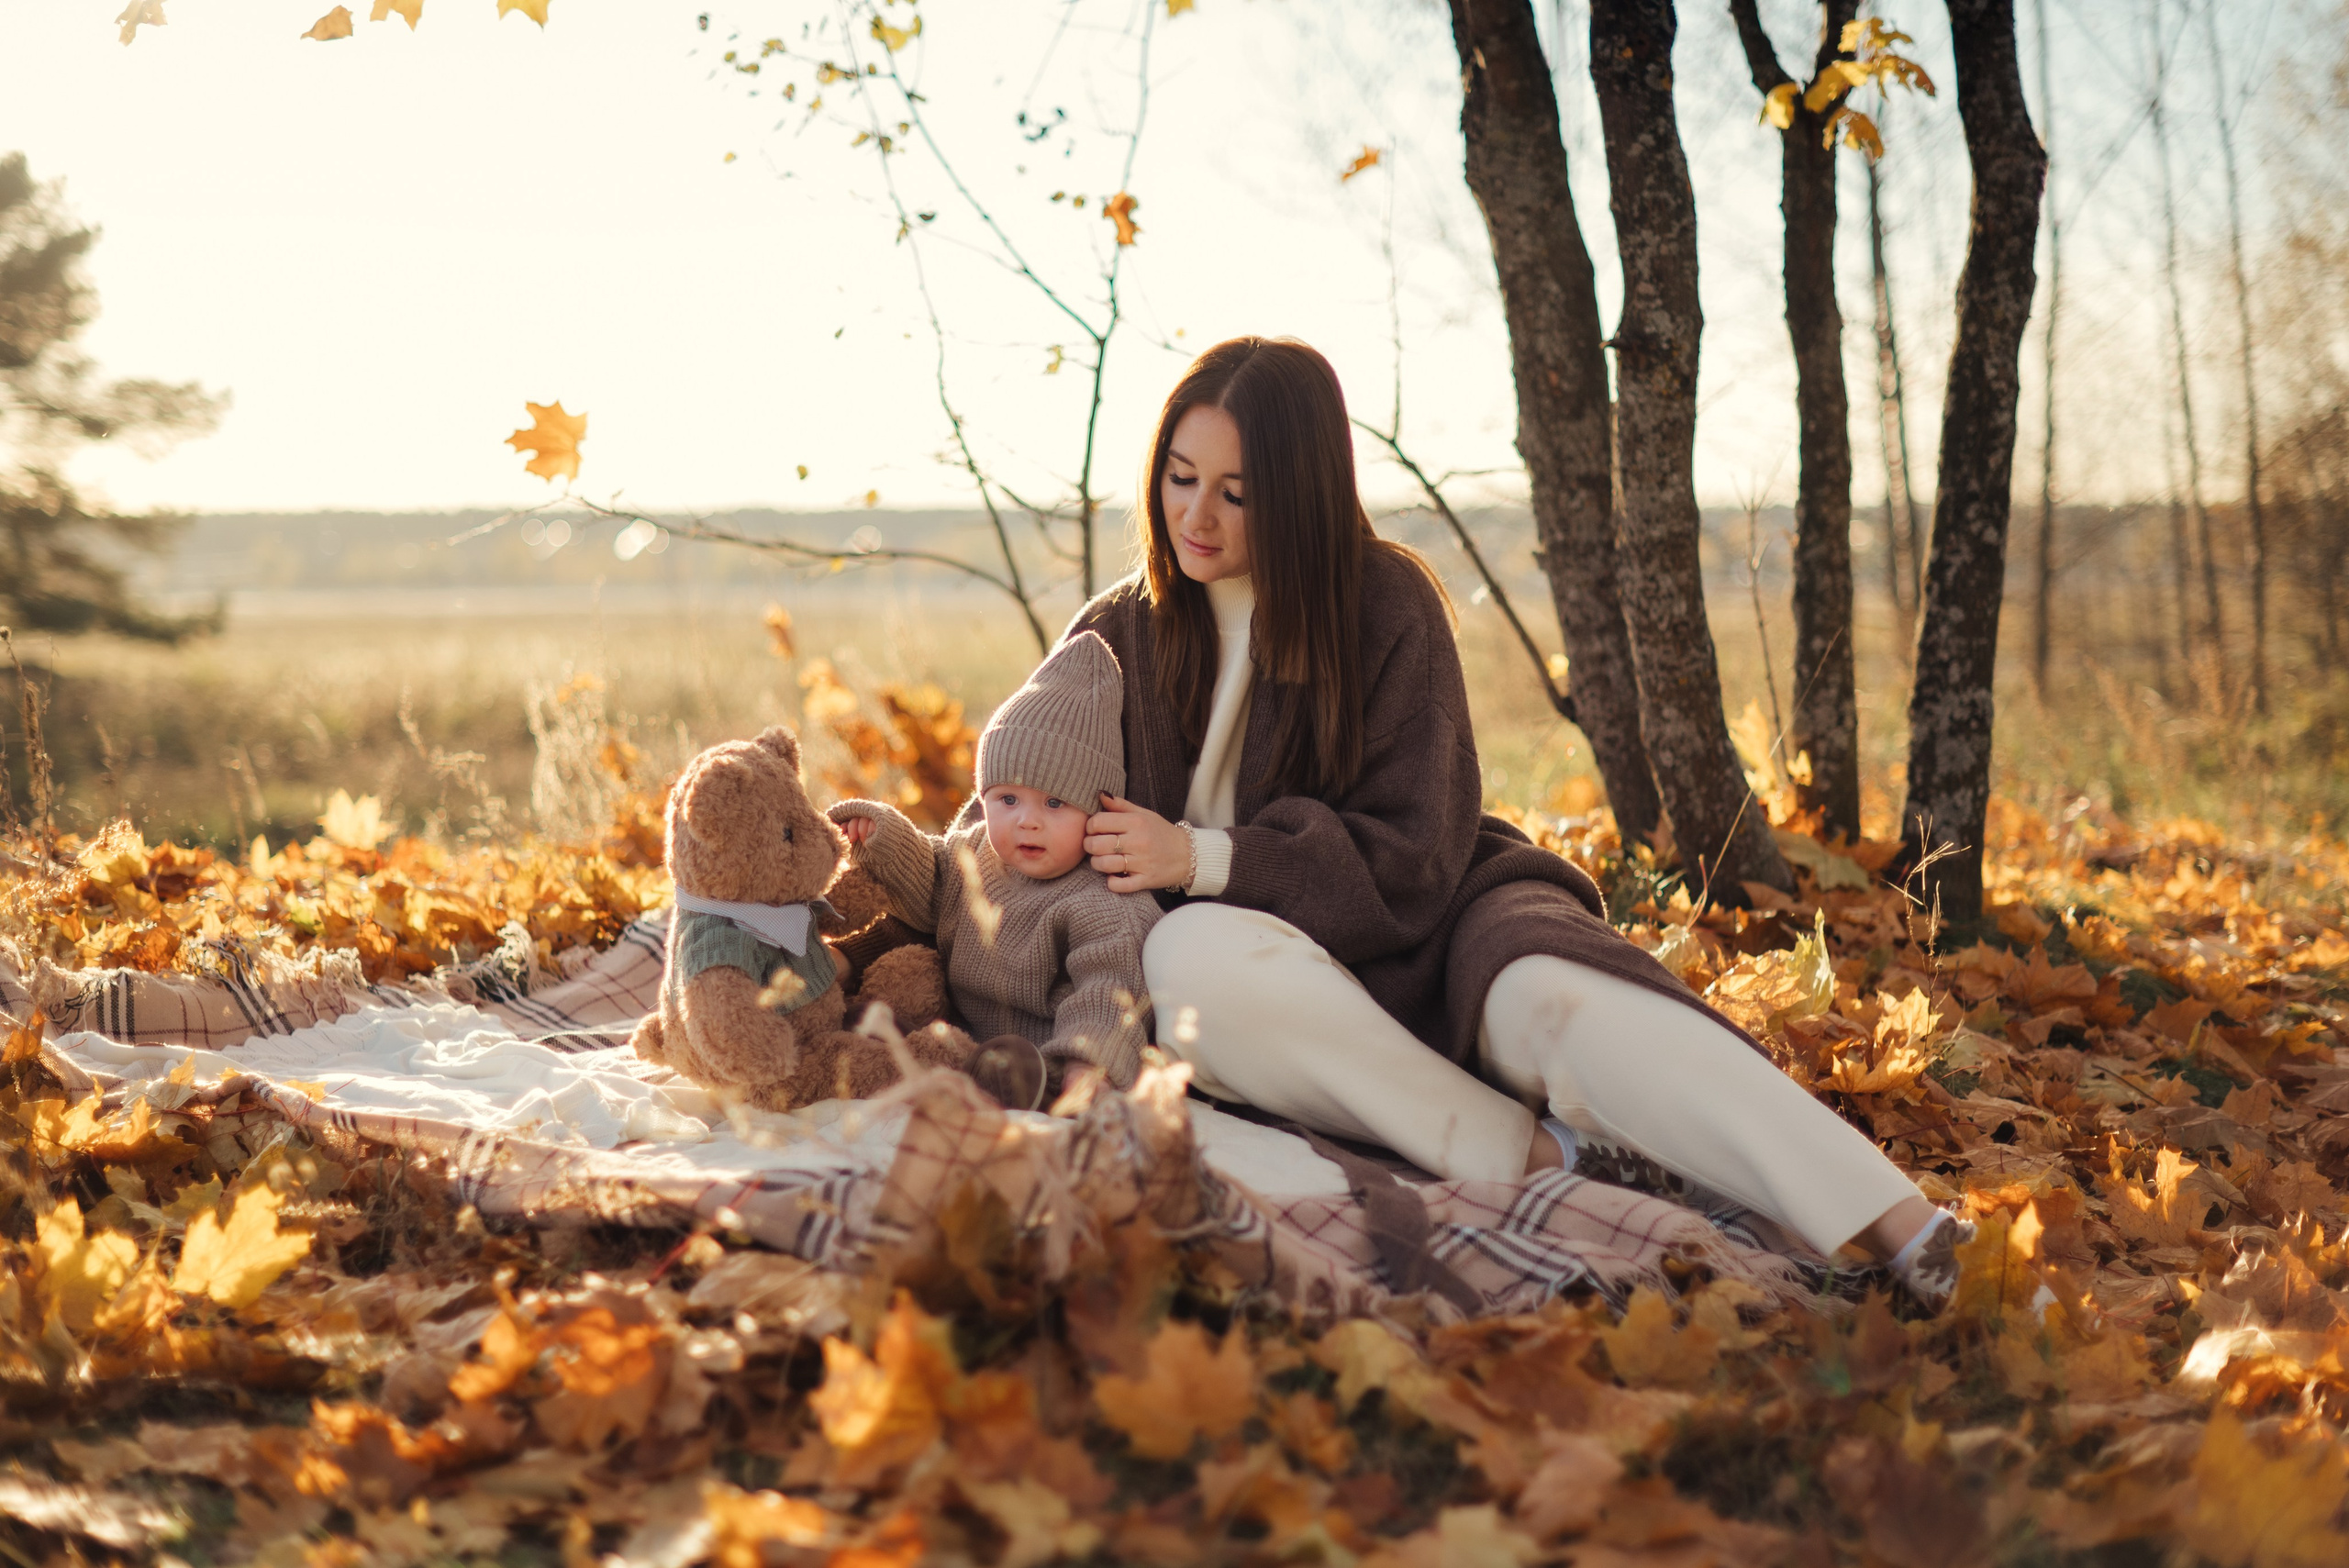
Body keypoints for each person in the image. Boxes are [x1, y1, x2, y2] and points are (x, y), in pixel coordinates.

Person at [1065, 335, 1967, 1306]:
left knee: (1556, 997)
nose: (1196, 515)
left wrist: (1200, 853)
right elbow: (1025, 795)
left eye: (1236, 494)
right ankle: (1546, 1156)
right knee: (1188, 960)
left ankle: (1911, 1229)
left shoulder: (1383, 601)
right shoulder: (1116, 632)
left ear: (1302, 492)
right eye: (1180, 476)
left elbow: (1415, 849)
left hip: (1432, 927)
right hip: (1268, 998)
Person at [829, 631, 1161, 1104]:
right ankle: (880, 1048)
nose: (1027, 820)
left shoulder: (1105, 900)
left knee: (1016, 1070)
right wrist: (881, 836)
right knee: (880, 1019)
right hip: (953, 1037)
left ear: (1100, 811)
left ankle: (1040, 1084)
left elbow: (1107, 993)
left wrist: (1088, 1072)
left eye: (1053, 802)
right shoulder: (975, 852)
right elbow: (923, 889)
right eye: (1007, 799)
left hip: (1038, 1055)